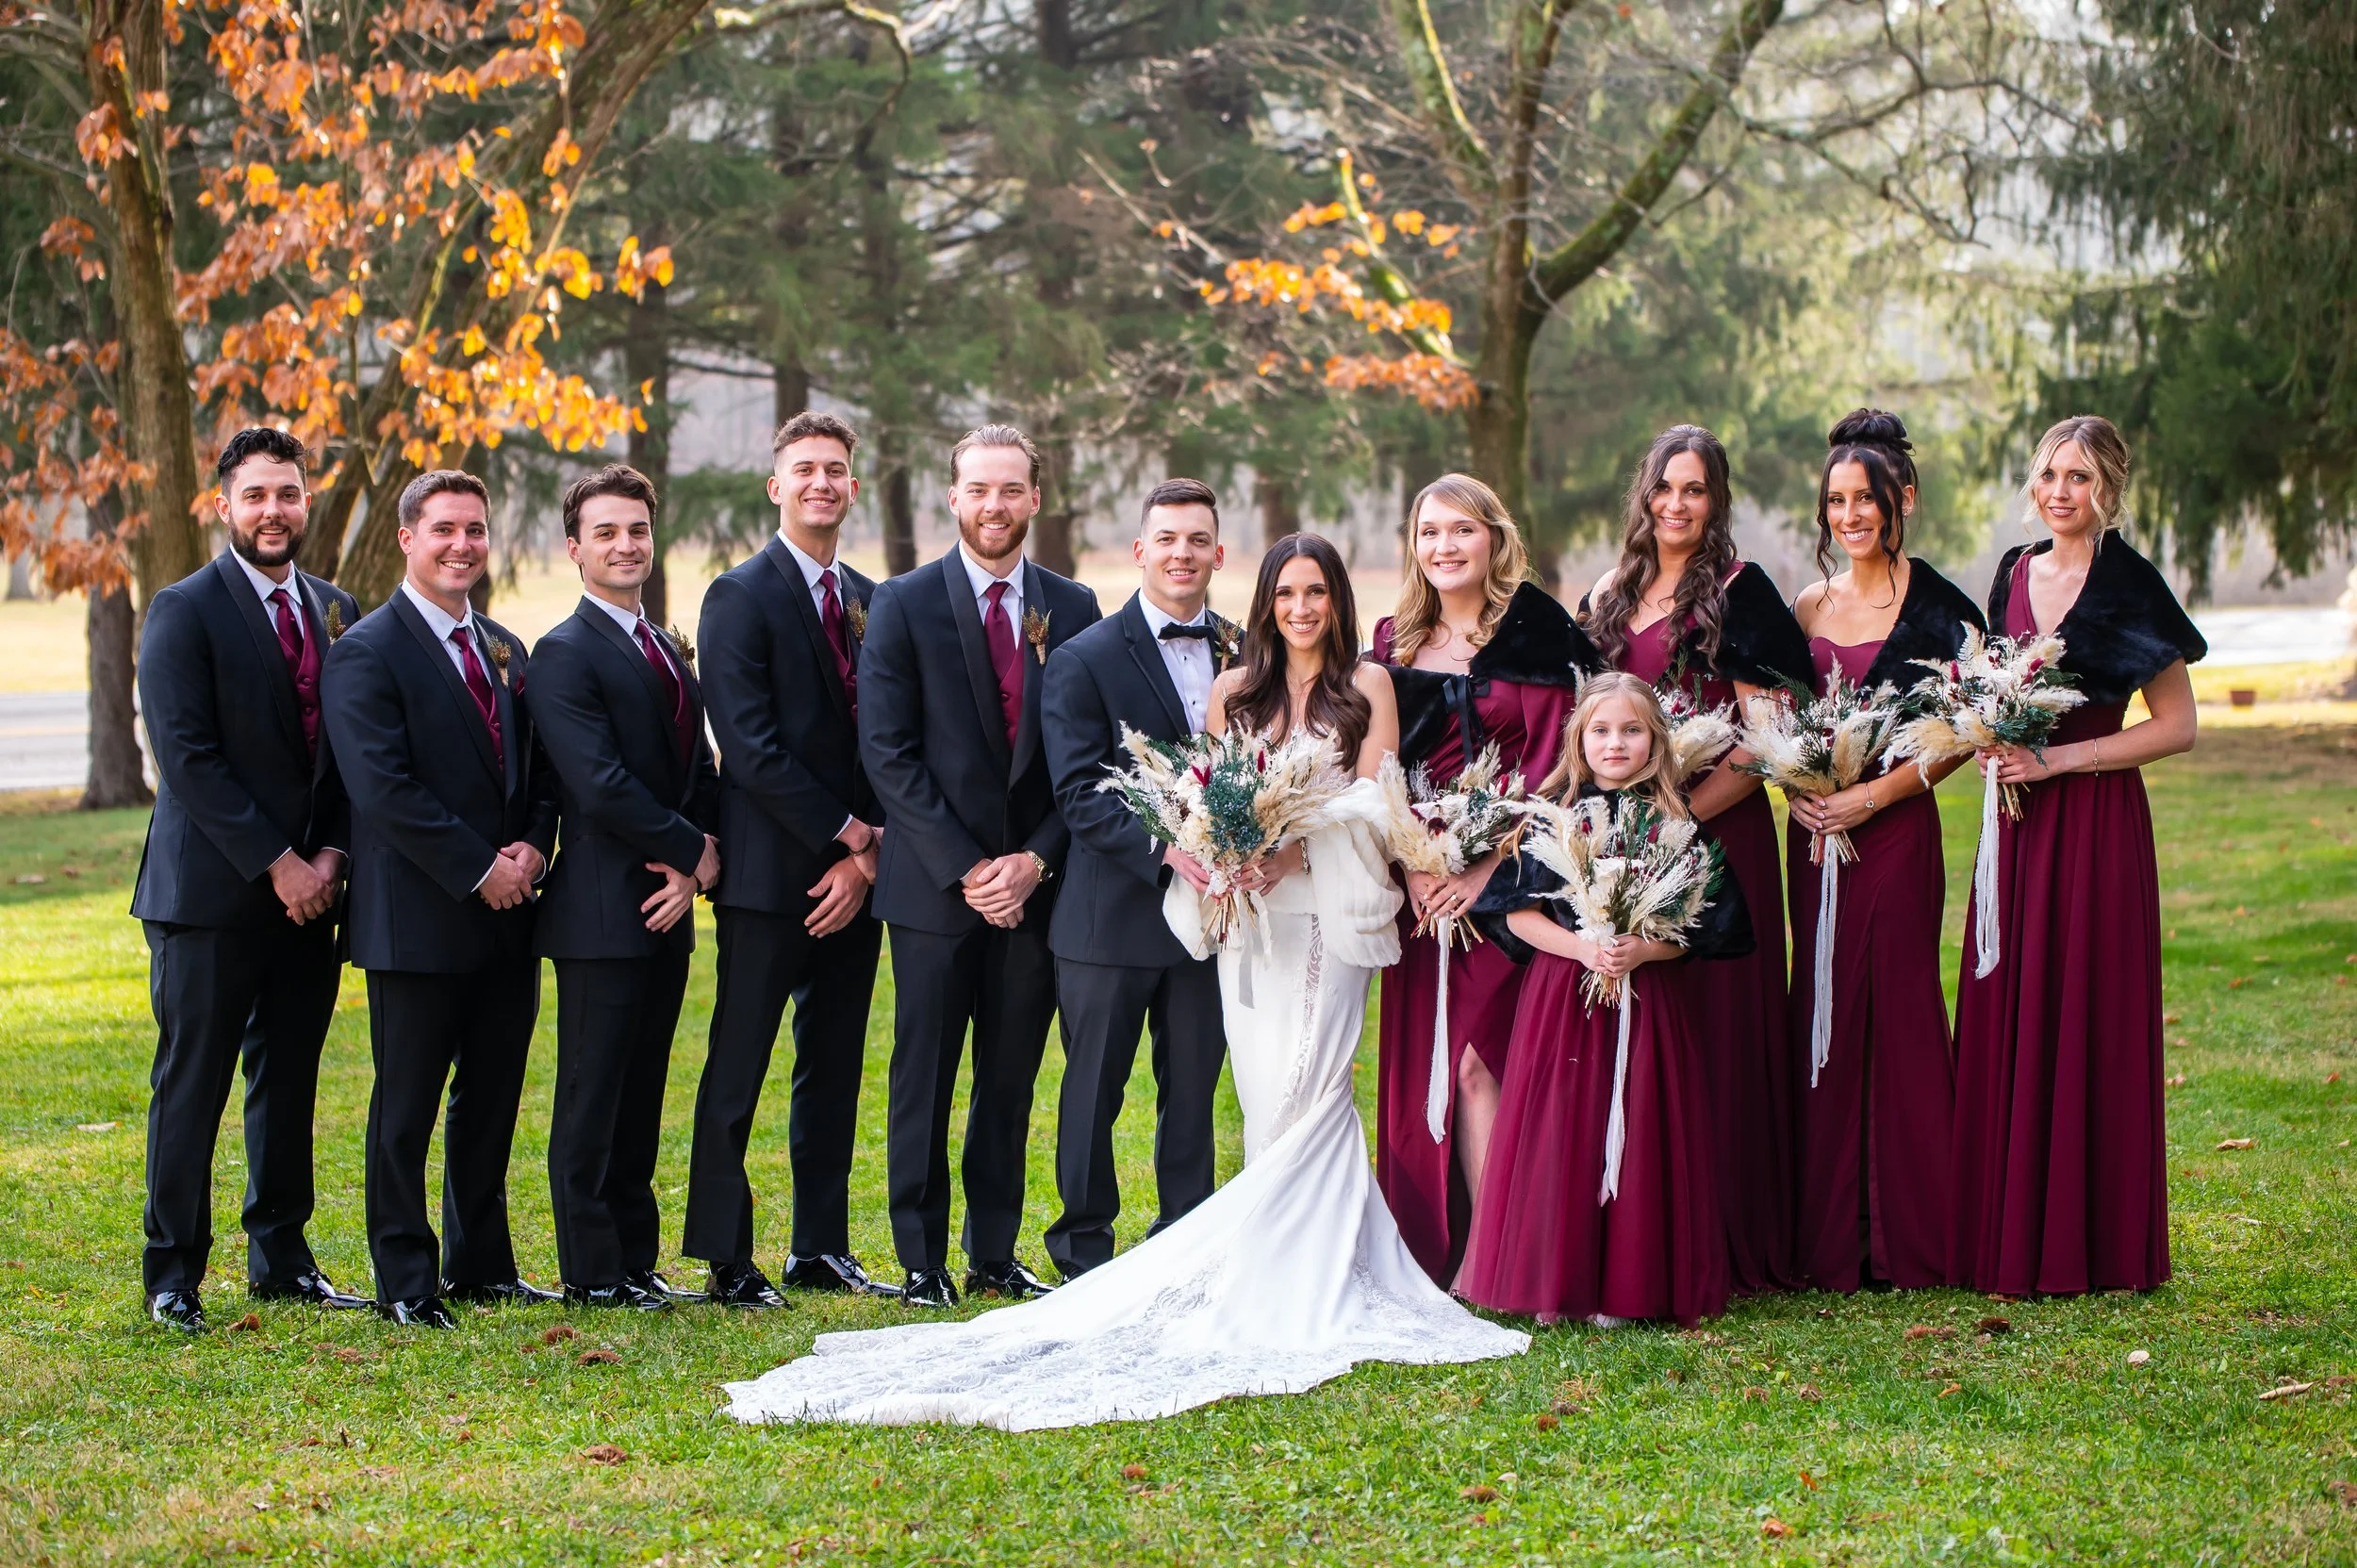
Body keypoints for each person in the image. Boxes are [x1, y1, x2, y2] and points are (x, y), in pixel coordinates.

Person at [721, 533, 1526, 1431]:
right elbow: (1212, 795)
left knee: (1315, 1088)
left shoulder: (1369, 684)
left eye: (1317, 593)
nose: (1302, 608)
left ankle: (1312, 1271)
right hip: (1247, 921)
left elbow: (1378, 798)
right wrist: (1233, 852)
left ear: (1338, 600)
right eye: (1287, 593)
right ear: (1265, 602)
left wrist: (1294, 843)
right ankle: (1271, 1265)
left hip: (1324, 920)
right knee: (1265, 1099)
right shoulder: (1233, 688)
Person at [1948, 414, 2203, 1296]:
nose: (2061, 492)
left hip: (2094, 823)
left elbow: (2178, 726)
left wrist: (2055, 759)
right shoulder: (2013, 574)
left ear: (2111, 491)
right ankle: (2004, 1226)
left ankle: (2092, 1239)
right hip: (2014, 824)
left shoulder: (2132, 586)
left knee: (2087, 1003)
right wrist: (1988, 739)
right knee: (2011, 994)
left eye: (2082, 478)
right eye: (2051, 474)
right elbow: (1991, 687)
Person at [856, 424, 1100, 1307]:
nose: (994, 506)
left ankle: (992, 1249)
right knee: (922, 1072)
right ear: (952, 497)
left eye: (1011, 489)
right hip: (932, 888)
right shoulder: (902, 603)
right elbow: (888, 754)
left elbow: (1092, 757)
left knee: (1009, 1074)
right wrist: (968, 868)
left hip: (1036, 890)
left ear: (1036, 498)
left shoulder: (1073, 607)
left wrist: (1035, 859)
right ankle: (921, 1259)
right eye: (978, 489)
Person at [130, 427, 368, 1331]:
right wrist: (280, 866)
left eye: (290, 493)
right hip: (214, 896)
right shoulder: (183, 609)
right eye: (257, 494)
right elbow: (185, 758)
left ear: (307, 502)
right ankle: (173, 1272)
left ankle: (281, 1253)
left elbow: (351, 755)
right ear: (223, 504)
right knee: (194, 1080)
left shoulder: (338, 609)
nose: (275, 510)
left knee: (289, 1076)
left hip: (315, 893)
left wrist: (332, 861)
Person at [321, 470, 562, 1329]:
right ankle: (405, 1278)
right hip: (416, 919)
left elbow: (540, 770)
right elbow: (383, 788)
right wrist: (478, 867)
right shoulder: (364, 651)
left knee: (492, 1096)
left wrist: (534, 844)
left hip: (510, 913)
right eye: (445, 530)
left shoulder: (505, 646)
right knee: (406, 1105)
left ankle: (482, 1261)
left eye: (476, 529)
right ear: (407, 540)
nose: (463, 545)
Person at [1579, 425, 1812, 1295]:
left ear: (1716, 502)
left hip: (1715, 837)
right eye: (1663, 488)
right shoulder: (1609, 591)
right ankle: (1640, 1226)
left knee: (1718, 1028)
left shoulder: (1742, 593)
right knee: (1640, 1029)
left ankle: (1726, 1236)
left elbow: (1766, 743)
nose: (1675, 505)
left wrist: (1674, 817)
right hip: (1621, 848)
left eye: (1695, 490)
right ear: (1643, 494)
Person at [1457, 673, 1753, 1327]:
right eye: (1601, 730)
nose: (1615, 743)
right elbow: (1518, 917)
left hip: (1647, 1001)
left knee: (1639, 1119)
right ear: (1578, 739)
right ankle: (1556, 1280)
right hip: (1564, 995)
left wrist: (1644, 950)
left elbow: (1702, 928)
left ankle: (1625, 1281)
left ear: (1654, 740)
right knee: (1563, 1127)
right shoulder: (1553, 816)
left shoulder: (1677, 823)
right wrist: (1583, 948)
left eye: (1631, 729)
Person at [685, 412, 894, 1309]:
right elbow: (749, 742)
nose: (821, 483)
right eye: (804, 469)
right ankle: (727, 1254)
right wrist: (848, 832)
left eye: (836, 470)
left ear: (853, 488)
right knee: (739, 1066)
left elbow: (891, 738)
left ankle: (820, 1245)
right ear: (777, 487)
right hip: (770, 879)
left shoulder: (873, 599)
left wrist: (869, 855)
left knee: (834, 1067)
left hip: (857, 883)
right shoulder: (738, 595)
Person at [1368, 473, 1596, 1285]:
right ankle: (1438, 1250)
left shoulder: (1537, 630)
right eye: (1429, 532)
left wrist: (1486, 871)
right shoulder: (1393, 641)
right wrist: (1415, 865)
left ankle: (1498, 1258)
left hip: (1510, 892)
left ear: (1493, 538)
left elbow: (1562, 769)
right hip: (1422, 898)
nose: (1444, 547)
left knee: (1481, 1063)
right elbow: (1375, 770)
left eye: (1461, 530)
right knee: (1431, 1066)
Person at [1784, 410, 1986, 1293]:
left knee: (1898, 1008)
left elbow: (1960, 737)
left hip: (1896, 829)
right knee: (1821, 999)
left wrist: (1872, 794)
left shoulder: (1942, 609)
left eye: (1865, 498)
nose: (1850, 515)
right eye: (1836, 500)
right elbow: (1778, 719)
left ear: (1902, 499)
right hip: (1815, 838)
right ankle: (1825, 1238)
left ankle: (1914, 1234)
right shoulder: (1805, 607)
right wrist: (1798, 783)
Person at [525, 464, 720, 1312]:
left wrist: (699, 854)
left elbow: (694, 765)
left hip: (666, 908)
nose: (624, 544)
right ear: (575, 548)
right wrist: (694, 852)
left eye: (637, 529)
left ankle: (637, 1259)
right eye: (605, 532)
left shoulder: (663, 644)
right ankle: (593, 1270)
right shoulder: (561, 654)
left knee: (643, 1092)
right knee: (592, 1095)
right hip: (602, 909)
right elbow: (600, 784)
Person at [1038, 478, 1238, 1279]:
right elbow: (1078, 787)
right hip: (1110, 914)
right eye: (1168, 539)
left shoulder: (1245, 650)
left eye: (1198, 540)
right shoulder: (1085, 656)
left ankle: (1183, 1240)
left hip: (1215, 917)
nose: (1183, 554)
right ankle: (1083, 1249)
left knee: (1192, 1089)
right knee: (1093, 1090)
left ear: (1219, 553)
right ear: (1140, 551)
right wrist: (1164, 854)